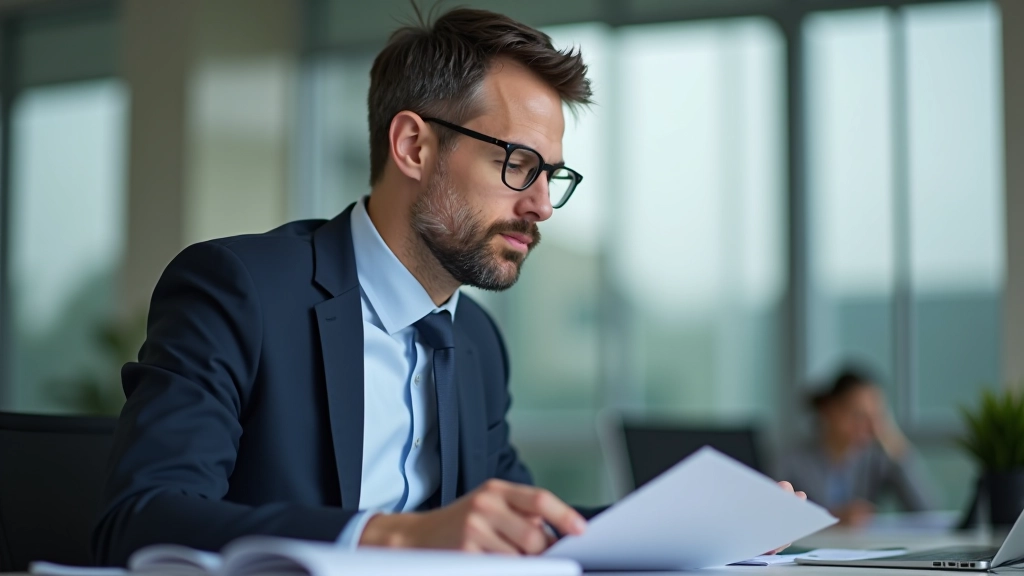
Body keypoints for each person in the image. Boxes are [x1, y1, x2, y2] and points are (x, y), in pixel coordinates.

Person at [93, 7, 804, 565]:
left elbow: (524, 523)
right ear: (413, 146)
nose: (542, 206)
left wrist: (702, 528)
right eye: (519, 164)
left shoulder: (475, 343)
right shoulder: (239, 289)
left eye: (552, 176)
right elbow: (142, 520)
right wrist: (399, 537)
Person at [778, 367, 936, 527]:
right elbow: (773, 517)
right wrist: (831, 517)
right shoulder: (792, 459)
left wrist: (896, 444)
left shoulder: (878, 456)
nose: (870, 426)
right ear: (830, 410)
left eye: (876, 416)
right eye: (859, 415)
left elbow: (926, 511)